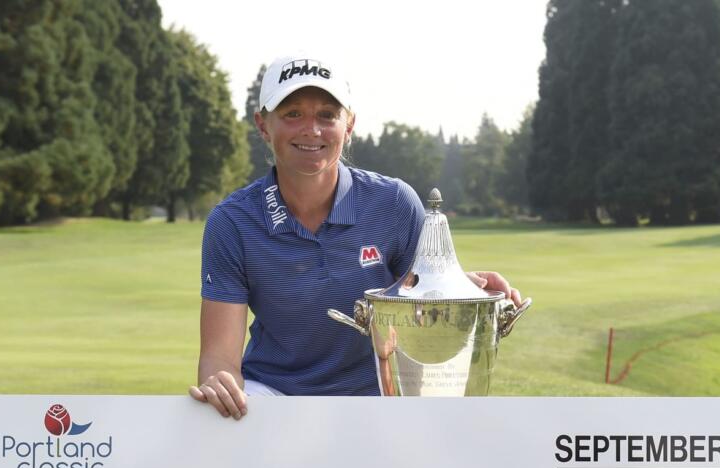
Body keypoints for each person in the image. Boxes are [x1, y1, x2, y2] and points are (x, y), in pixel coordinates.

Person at [190, 55, 522, 419]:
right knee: (216, 418)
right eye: (293, 114)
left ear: (349, 125)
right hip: (273, 391)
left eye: (327, 115)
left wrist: (466, 289)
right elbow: (220, 356)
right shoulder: (232, 221)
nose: (311, 130)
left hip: (378, 391)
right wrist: (219, 383)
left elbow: (421, 302)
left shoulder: (394, 202)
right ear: (263, 126)